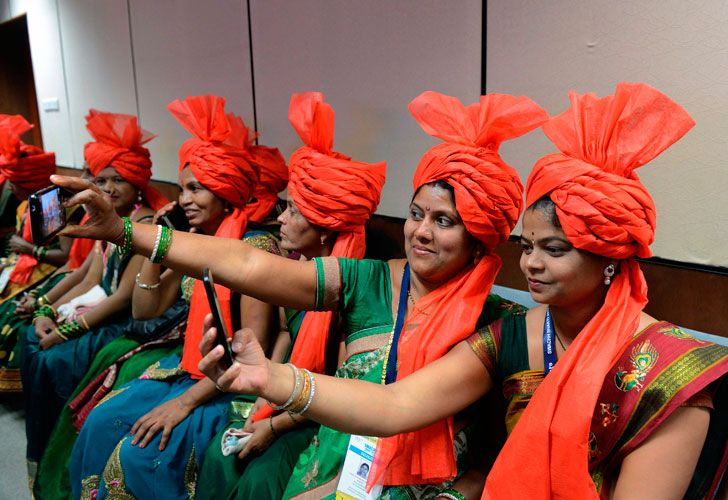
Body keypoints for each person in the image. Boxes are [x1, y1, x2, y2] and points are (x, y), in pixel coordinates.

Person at [196, 83, 728, 499]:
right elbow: (395, 405)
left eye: (555, 251)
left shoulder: (667, 372)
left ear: (612, 260)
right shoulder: (512, 336)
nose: (532, 265)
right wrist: (273, 377)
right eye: (527, 246)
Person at [54, 90, 546, 498]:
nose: (420, 232)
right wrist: (125, 233)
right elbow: (246, 263)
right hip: (337, 454)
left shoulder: (500, 322)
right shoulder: (367, 280)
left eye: (444, 222)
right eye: (417, 213)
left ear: (481, 236)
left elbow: (499, 446)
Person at [68, 95, 286, 500]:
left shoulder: (257, 249)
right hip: (186, 369)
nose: (183, 199)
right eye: (182, 188)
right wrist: (162, 240)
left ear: (224, 193)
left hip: (227, 386)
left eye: (195, 188)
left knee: (138, 455)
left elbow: (250, 355)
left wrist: (184, 403)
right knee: (101, 421)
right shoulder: (197, 242)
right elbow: (144, 307)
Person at [195, 92, 385, 500]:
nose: (281, 217)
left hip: (324, 414)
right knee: (220, 452)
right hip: (285, 393)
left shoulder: (355, 292)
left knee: (260, 479)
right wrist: (262, 399)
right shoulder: (294, 268)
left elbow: (336, 385)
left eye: (294, 211)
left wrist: (273, 424)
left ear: (324, 229)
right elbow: (283, 337)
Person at [19, 109, 168, 481]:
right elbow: (87, 276)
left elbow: (121, 299)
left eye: (120, 180)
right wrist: (44, 309)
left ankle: (60, 445)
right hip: (101, 309)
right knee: (32, 340)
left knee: (54, 359)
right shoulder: (107, 220)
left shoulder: (146, 225)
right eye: (102, 180)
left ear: (137, 185)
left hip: (124, 323)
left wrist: (67, 331)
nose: (110, 189)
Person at [0, 114, 73, 393]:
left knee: (8, 315)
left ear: (29, 184)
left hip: (46, 269)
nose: (8, 188)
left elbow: (65, 258)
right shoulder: (22, 207)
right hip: (21, 267)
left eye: (13, 182)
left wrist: (29, 249)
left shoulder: (55, 208)